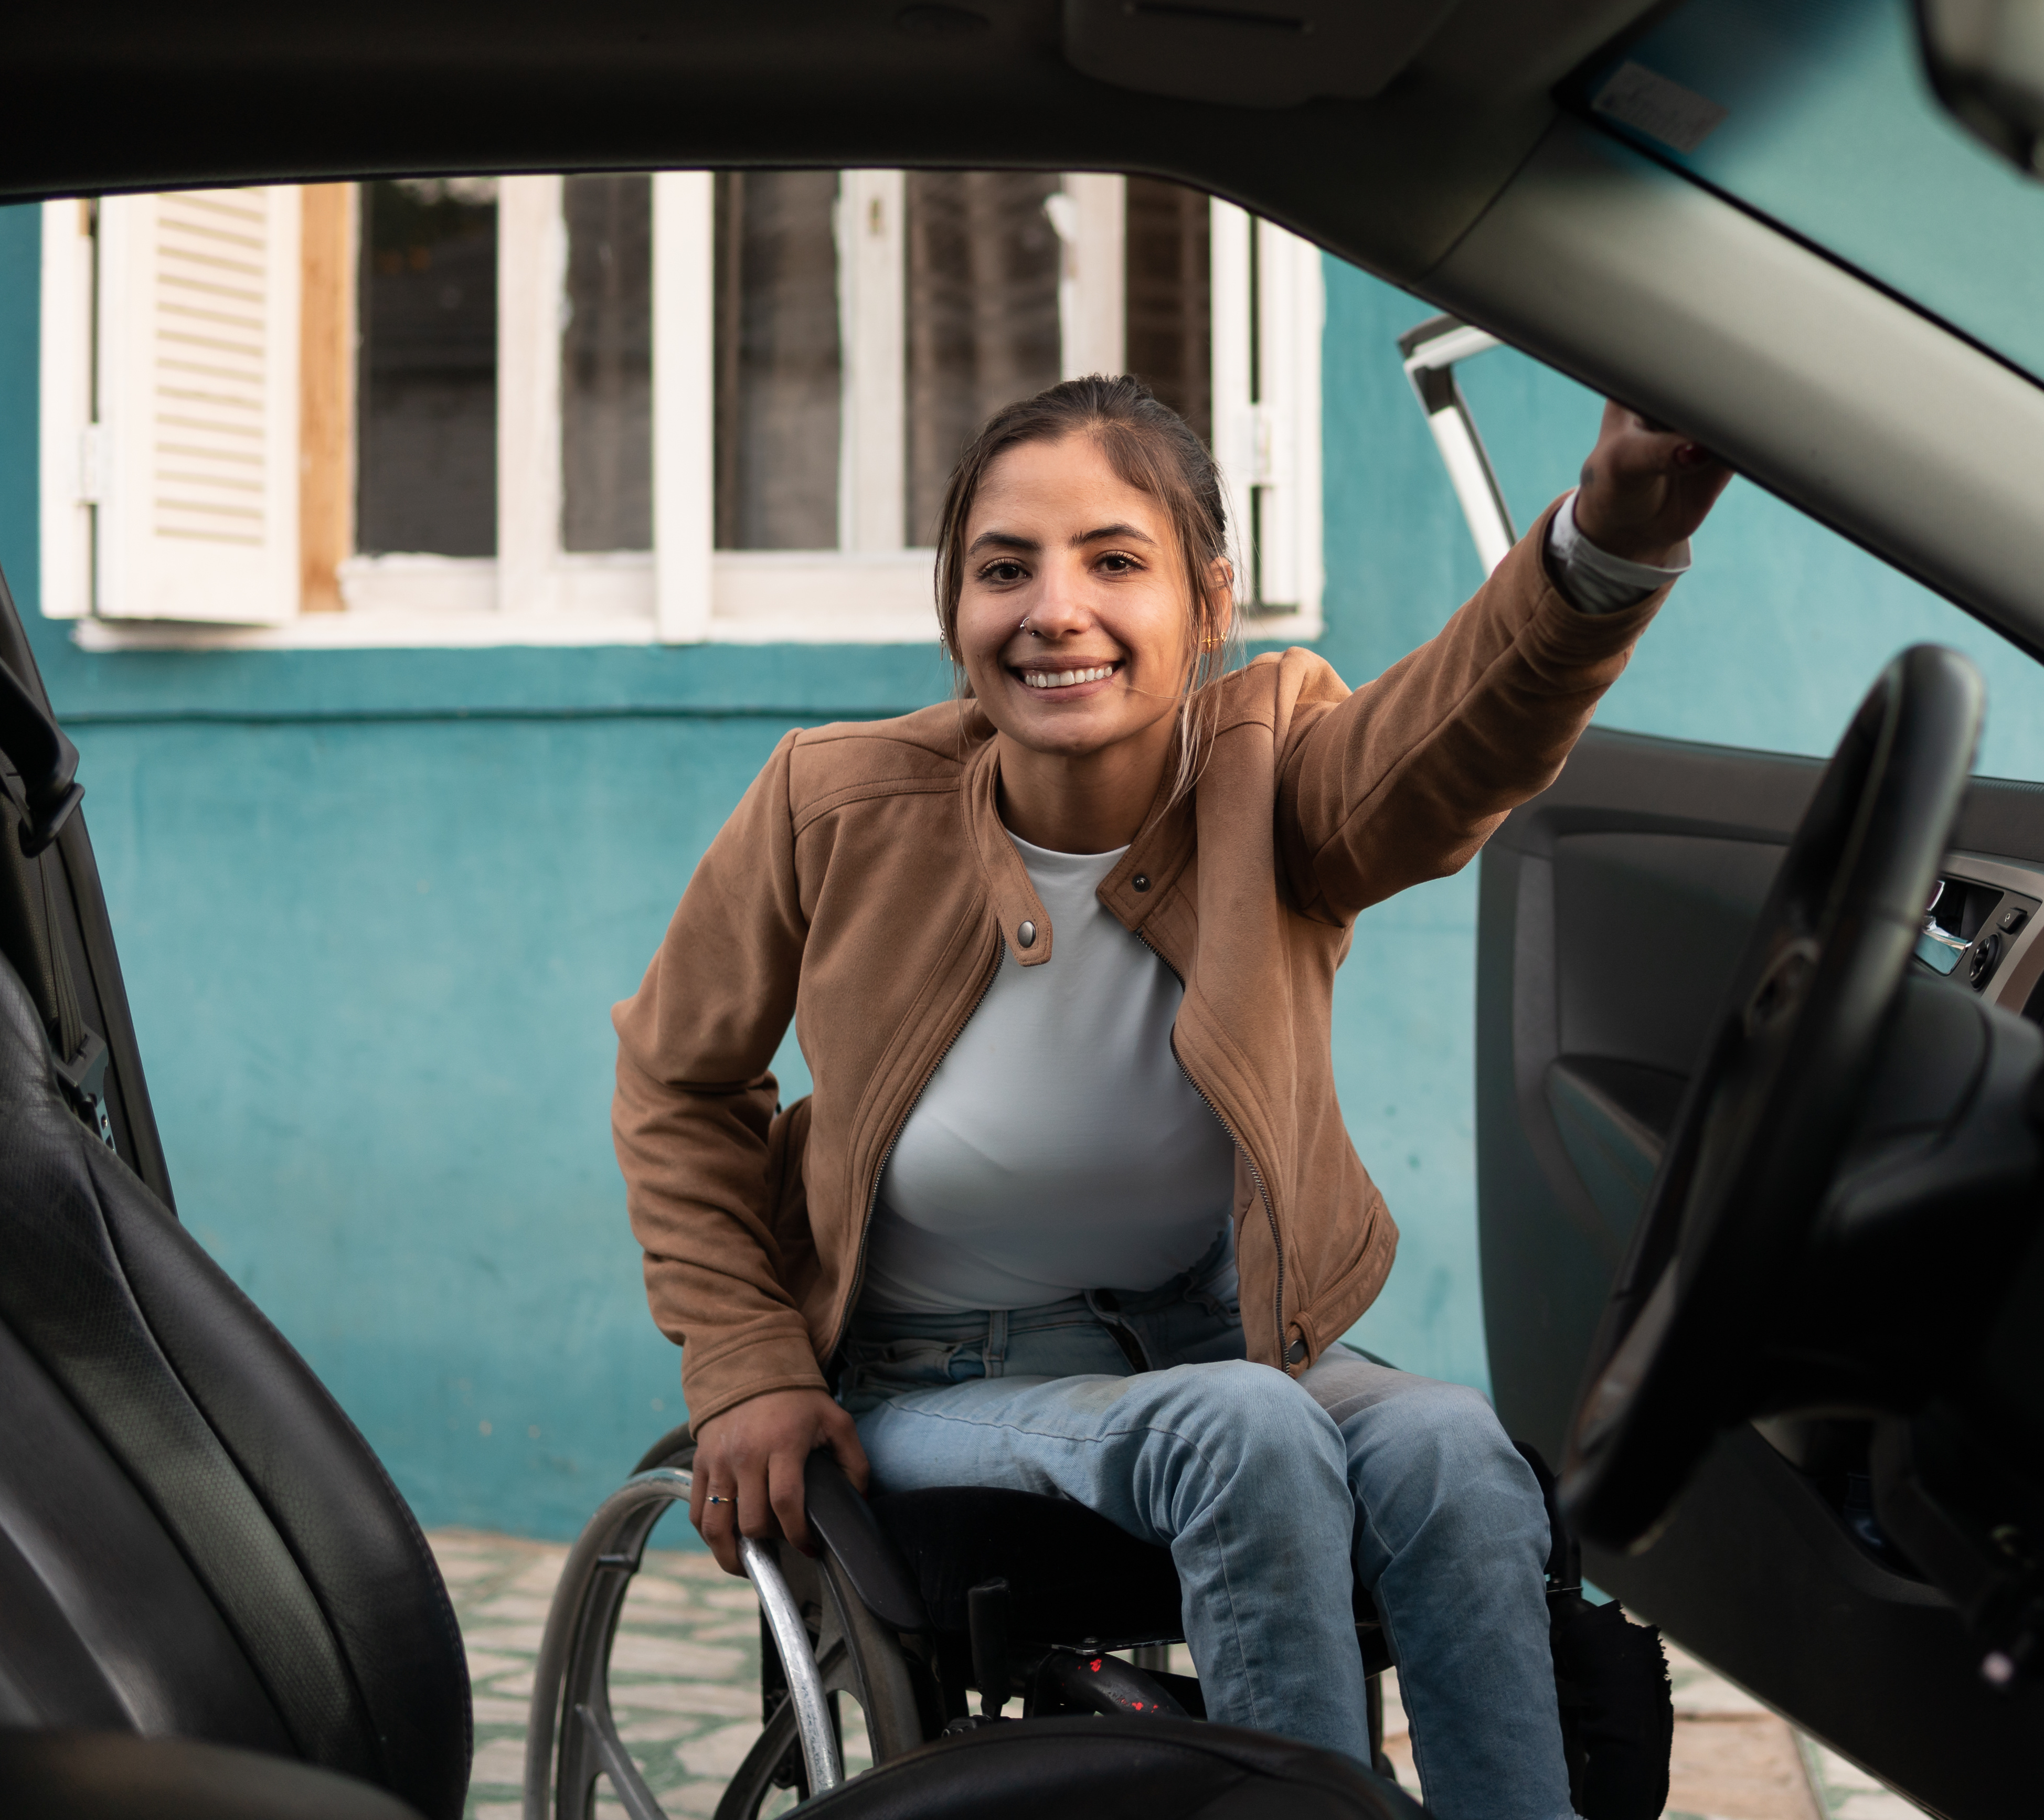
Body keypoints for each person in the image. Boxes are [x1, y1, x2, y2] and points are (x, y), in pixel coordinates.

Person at [612, 372, 1728, 1819]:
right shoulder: (831, 802)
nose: (1053, 609)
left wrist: (1604, 545)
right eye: (1002, 568)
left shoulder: (1280, 770)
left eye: (1113, 561)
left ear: (1209, 599)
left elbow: (1461, 737)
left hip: (1213, 1337)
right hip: (932, 1380)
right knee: (1242, 1426)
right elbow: (678, 1077)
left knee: (1450, 1441)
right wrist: (748, 1364)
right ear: (952, 609)